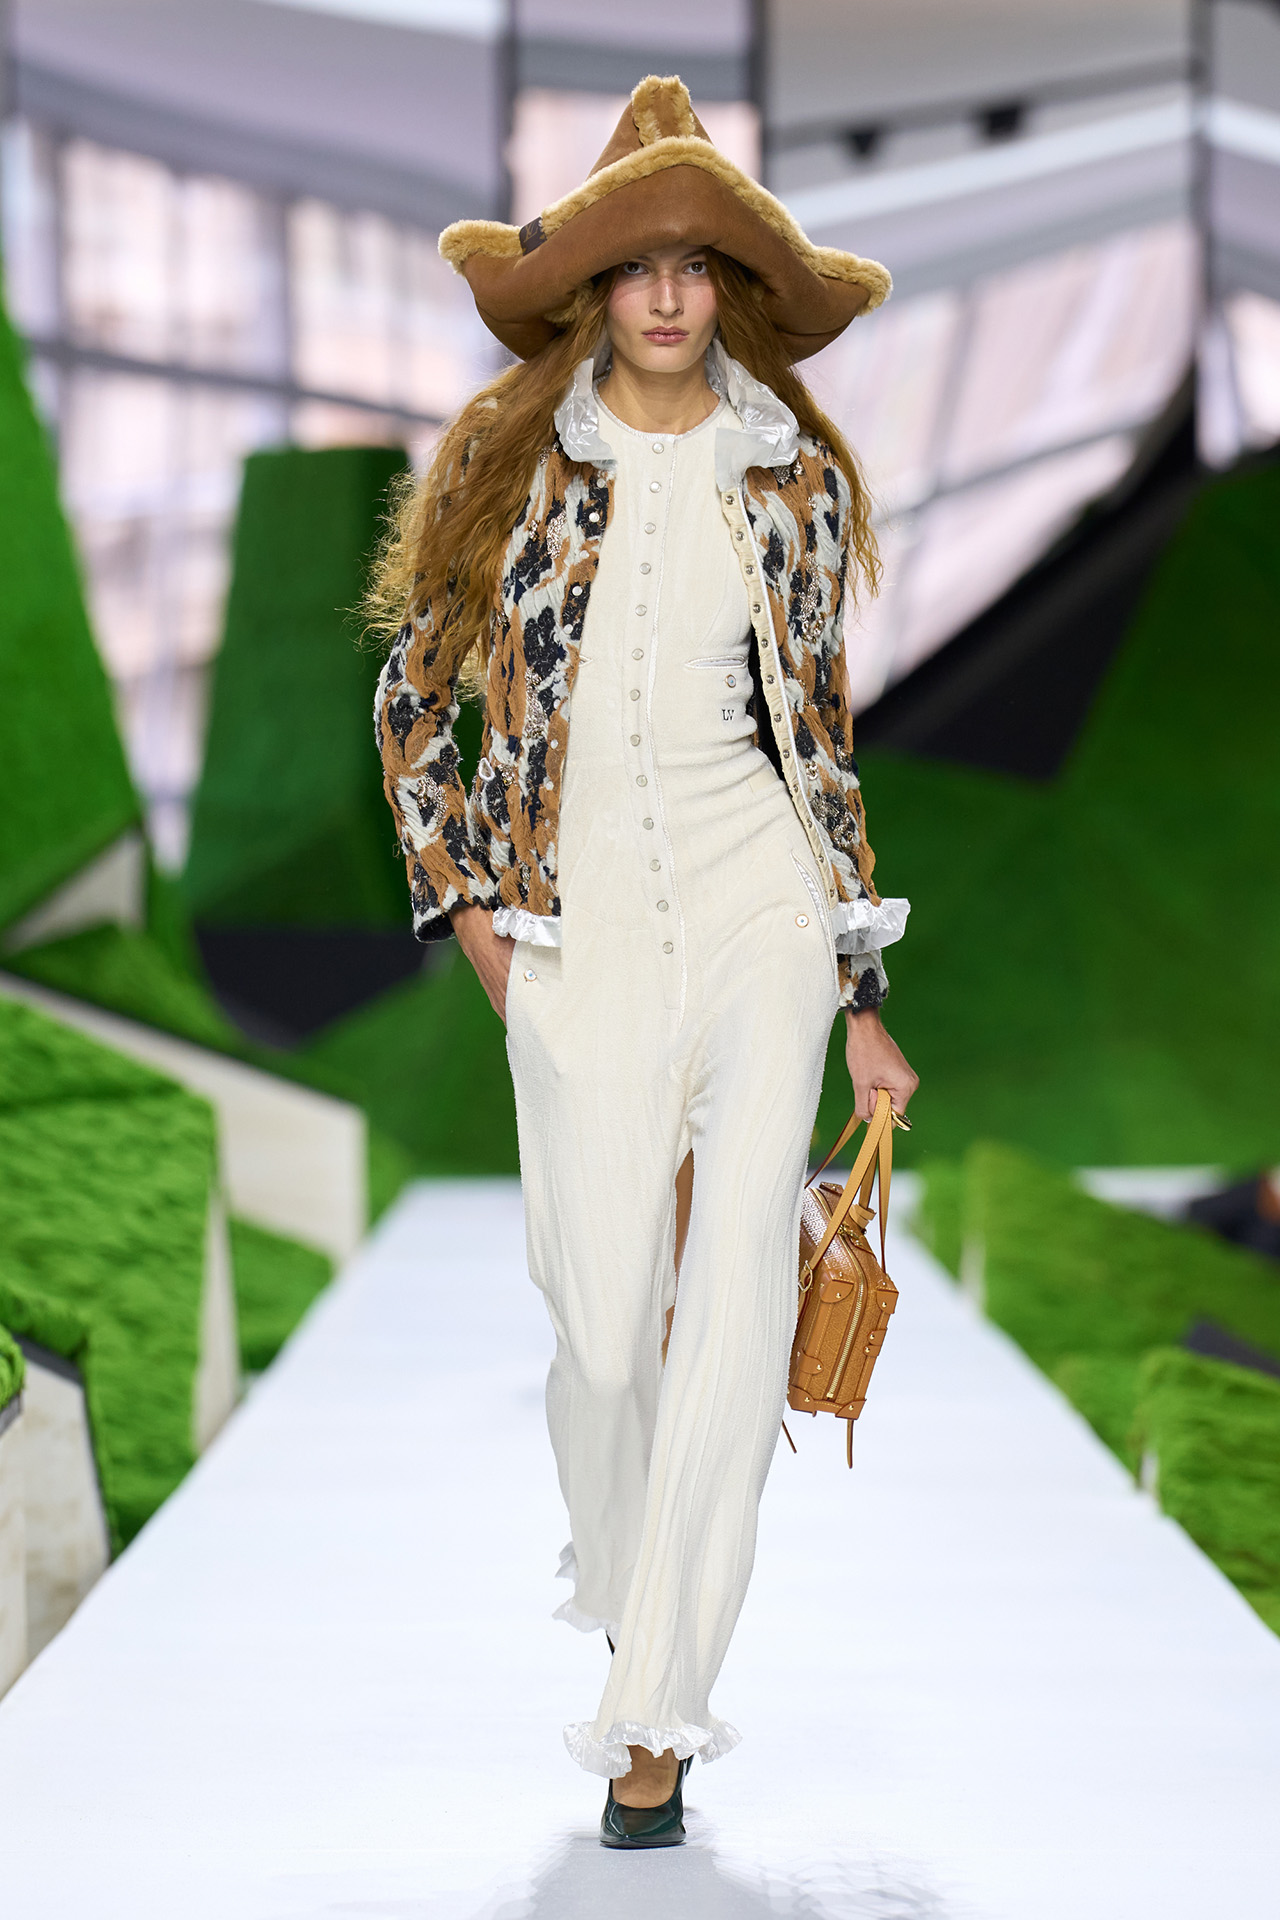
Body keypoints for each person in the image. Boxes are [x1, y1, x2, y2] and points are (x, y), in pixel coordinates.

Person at [372, 76, 918, 1850]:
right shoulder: (513, 467)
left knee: (734, 1303)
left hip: (763, 907)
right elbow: (411, 704)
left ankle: (656, 1716)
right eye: (638, 267)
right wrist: (478, 926)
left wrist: (861, 998)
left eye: (696, 266)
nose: (670, 296)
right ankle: (634, 1602)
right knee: (602, 1331)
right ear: (594, 291)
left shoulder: (791, 479)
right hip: (575, 923)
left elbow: (817, 745)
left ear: (728, 289)